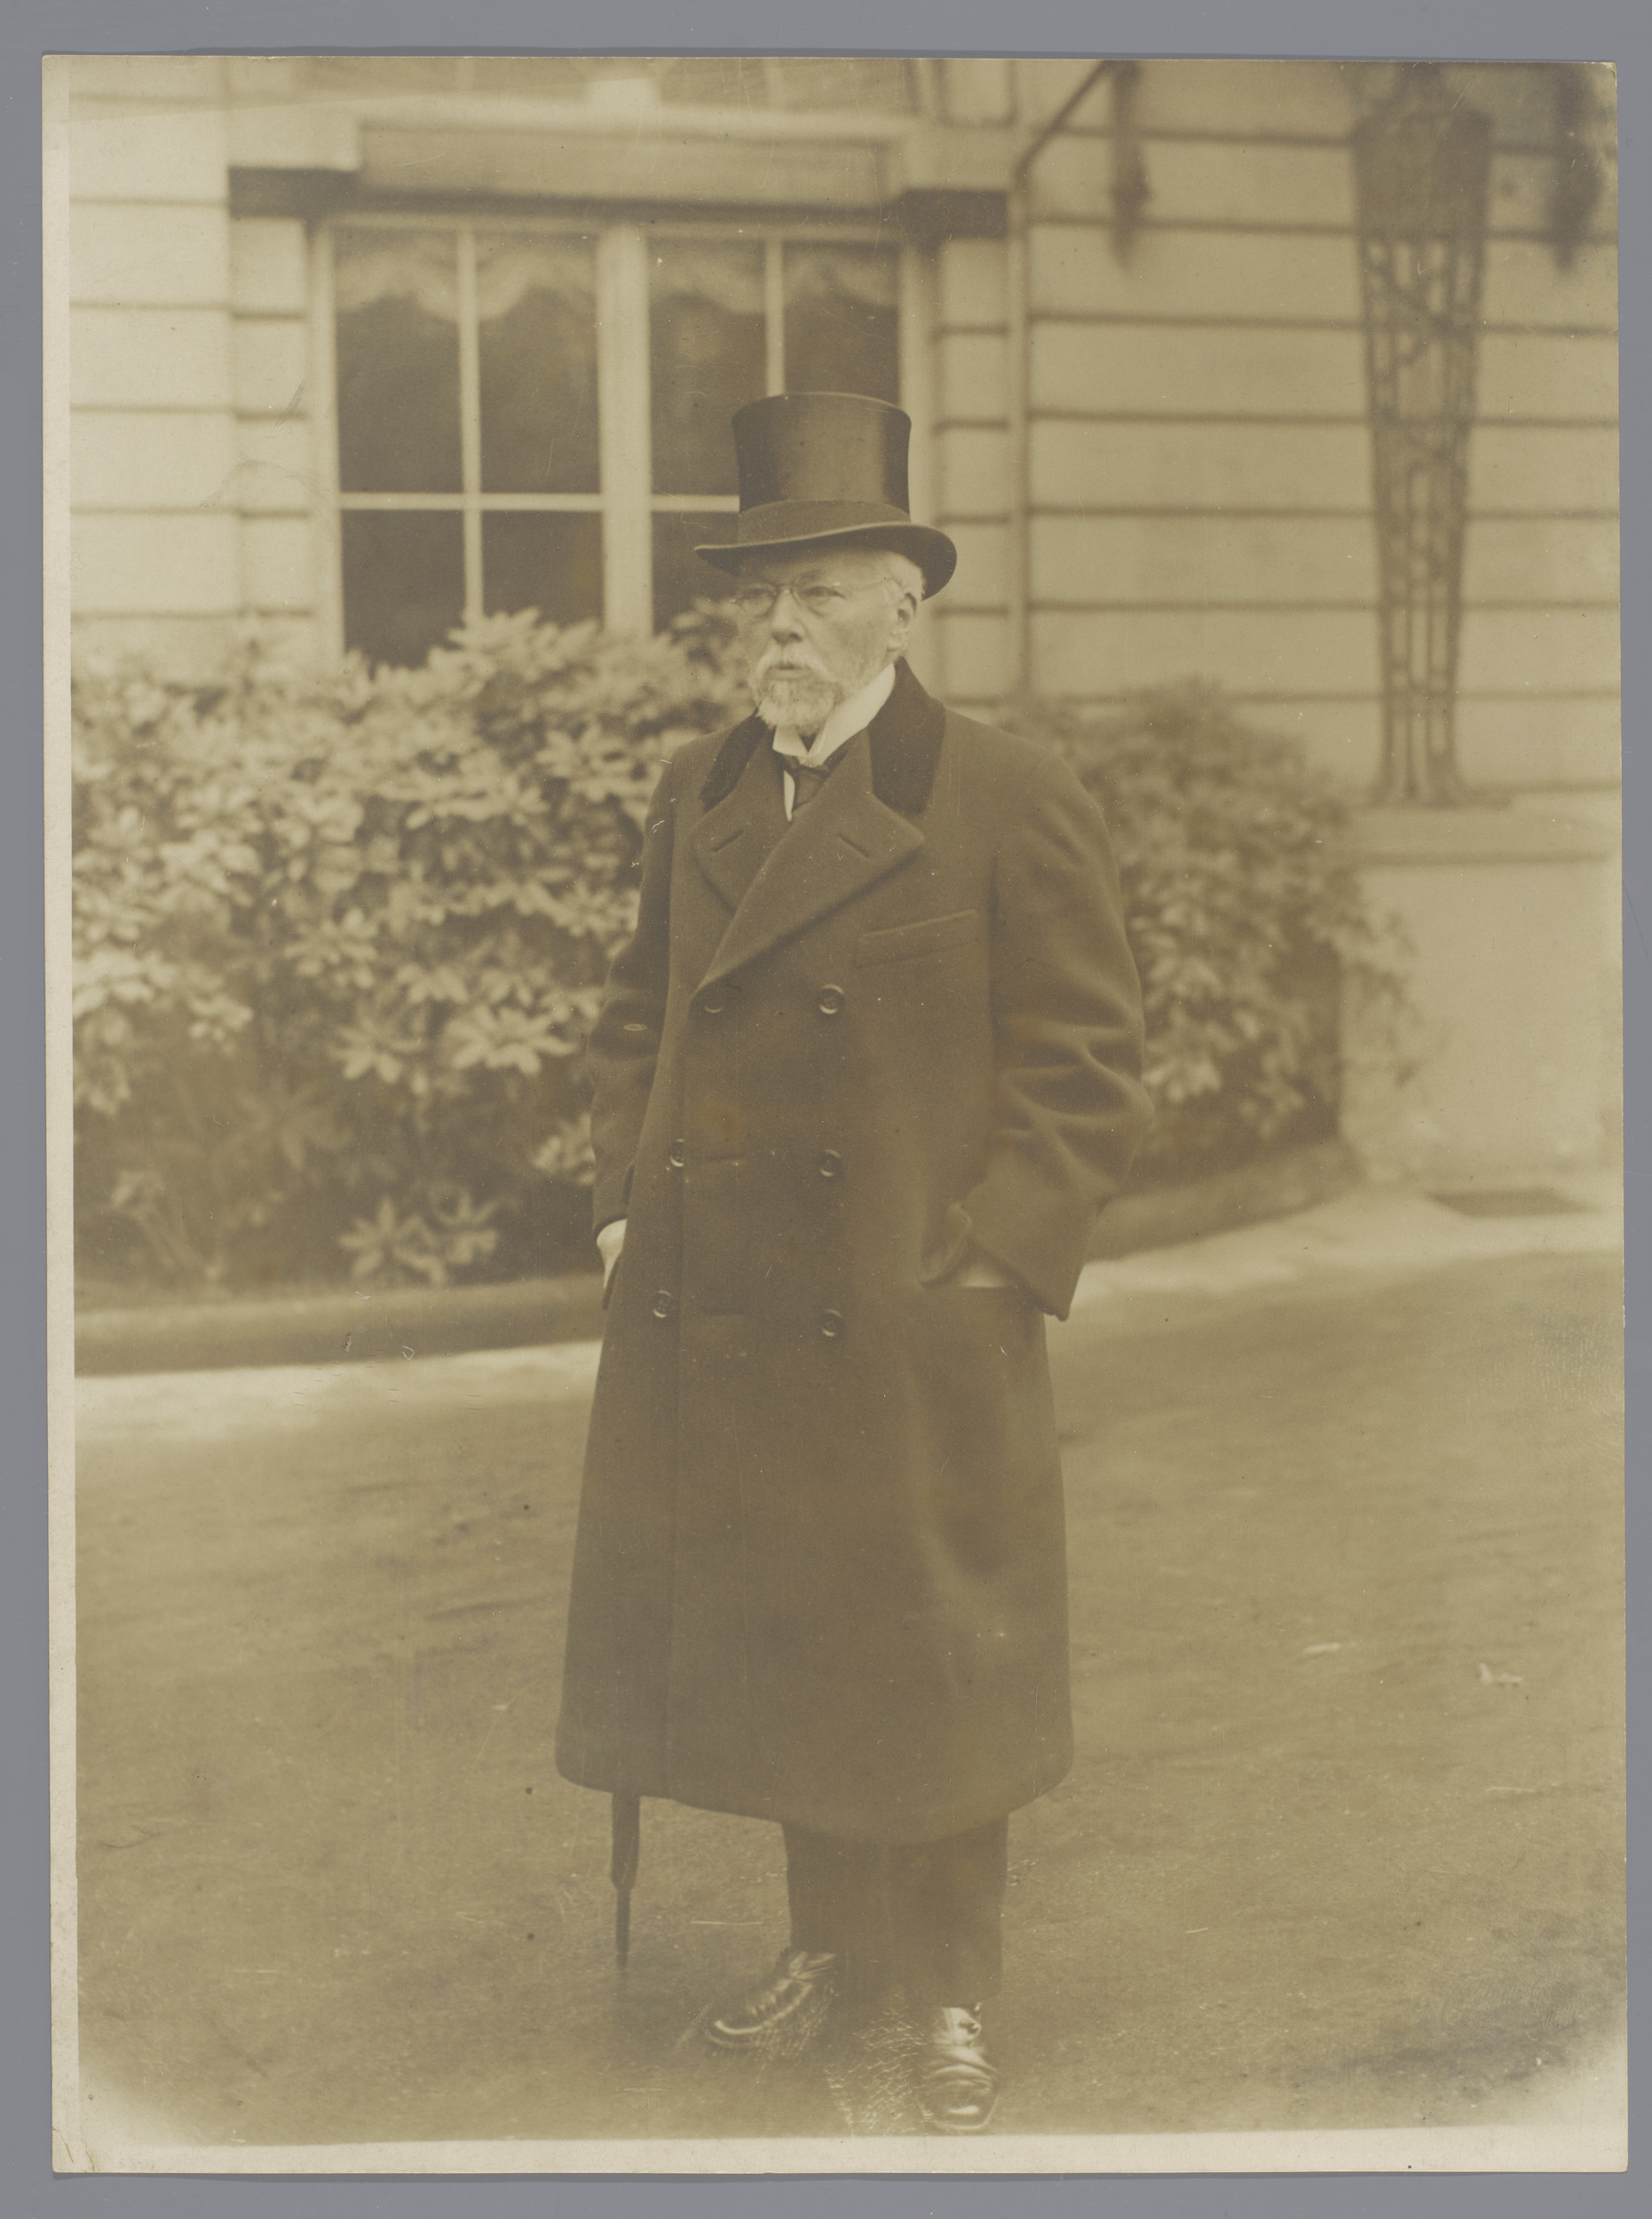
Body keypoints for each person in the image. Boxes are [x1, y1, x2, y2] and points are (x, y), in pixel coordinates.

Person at [555, 391, 1152, 2133]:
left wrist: (990, 1270)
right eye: (762, 595)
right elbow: (635, 1018)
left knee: (935, 1653)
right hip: (739, 1318)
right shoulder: (704, 787)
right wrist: (621, 1203)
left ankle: (946, 1988)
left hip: (915, 1319)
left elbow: (1087, 1061)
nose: (783, 629)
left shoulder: (1003, 793)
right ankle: (830, 1943)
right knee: (799, 1636)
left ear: (903, 603)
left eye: (818, 592)